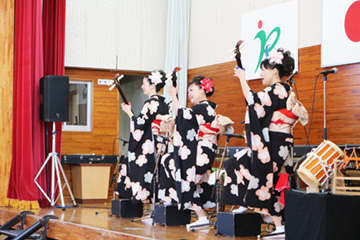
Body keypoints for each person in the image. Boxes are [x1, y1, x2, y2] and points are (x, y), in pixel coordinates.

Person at [221, 49, 308, 237]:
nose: (261, 75)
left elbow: (253, 102)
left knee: (237, 163)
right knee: (271, 179)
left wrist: (242, 79)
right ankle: (278, 226)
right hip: (280, 144)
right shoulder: (284, 90)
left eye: (263, 70)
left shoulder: (277, 89)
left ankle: (250, 202)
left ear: (274, 71)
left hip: (274, 145)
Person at [157, 75, 233, 228]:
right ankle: (198, 214)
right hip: (202, 151)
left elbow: (183, 117)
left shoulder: (203, 107)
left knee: (174, 165)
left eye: (192, 90)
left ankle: (198, 213)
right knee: (174, 164)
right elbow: (188, 131)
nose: (189, 93)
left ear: (203, 90)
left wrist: (173, 95)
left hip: (202, 153)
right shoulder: (206, 108)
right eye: (188, 91)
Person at [116, 70, 172, 204]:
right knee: (156, 173)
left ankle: (138, 197)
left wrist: (129, 113)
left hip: (149, 146)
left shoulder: (150, 103)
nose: (142, 86)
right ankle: (154, 202)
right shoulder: (164, 103)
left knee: (129, 165)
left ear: (153, 85)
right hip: (160, 144)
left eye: (144, 83)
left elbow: (139, 124)